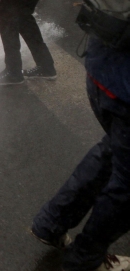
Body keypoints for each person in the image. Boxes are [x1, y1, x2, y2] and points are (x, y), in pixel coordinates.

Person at [31, 36, 130, 271]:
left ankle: (51, 223)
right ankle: (84, 260)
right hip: (125, 88)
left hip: (102, 67)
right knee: (127, 184)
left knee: (113, 150)